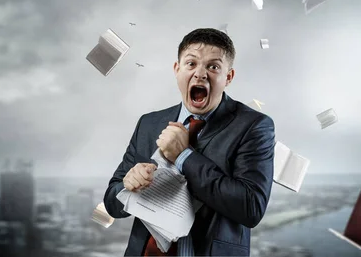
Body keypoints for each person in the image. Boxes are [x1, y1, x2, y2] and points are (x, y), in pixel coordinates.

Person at [103, 28, 275, 256]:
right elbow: (112, 203)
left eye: (213, 67)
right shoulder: (148, 123)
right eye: (191, 64)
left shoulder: (254, 126)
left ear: (228, 77)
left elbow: (251, 208)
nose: (200, 74)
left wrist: (184, 156)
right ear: (177, 70)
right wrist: (127, 186)